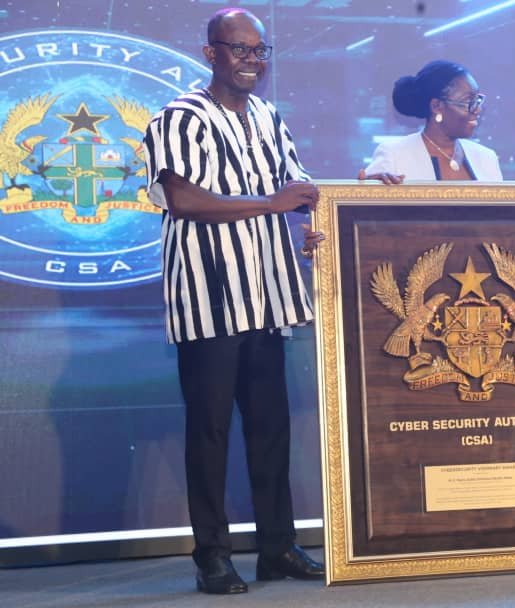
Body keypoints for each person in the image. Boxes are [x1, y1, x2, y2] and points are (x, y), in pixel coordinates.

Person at [142, 8, 324, 594]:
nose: (252, 60)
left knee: (271, 429)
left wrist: (354, 196)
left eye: (259, 50)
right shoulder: (180, 117)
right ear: (211, 53)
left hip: (268, 297)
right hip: (210, 300)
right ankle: (212, 557)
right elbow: (184, 200)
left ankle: (278, 548)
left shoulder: (268, 117)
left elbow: (298, 189)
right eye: (239, 49)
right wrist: (272, 204)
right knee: (210, 431)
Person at [359, 60, 503, 183]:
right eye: (468, 101)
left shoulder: (487, 158)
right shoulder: (394, 155)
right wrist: (365, 191)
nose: (477, 109)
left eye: (477, 100)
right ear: (437, 106)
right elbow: (366, 203)